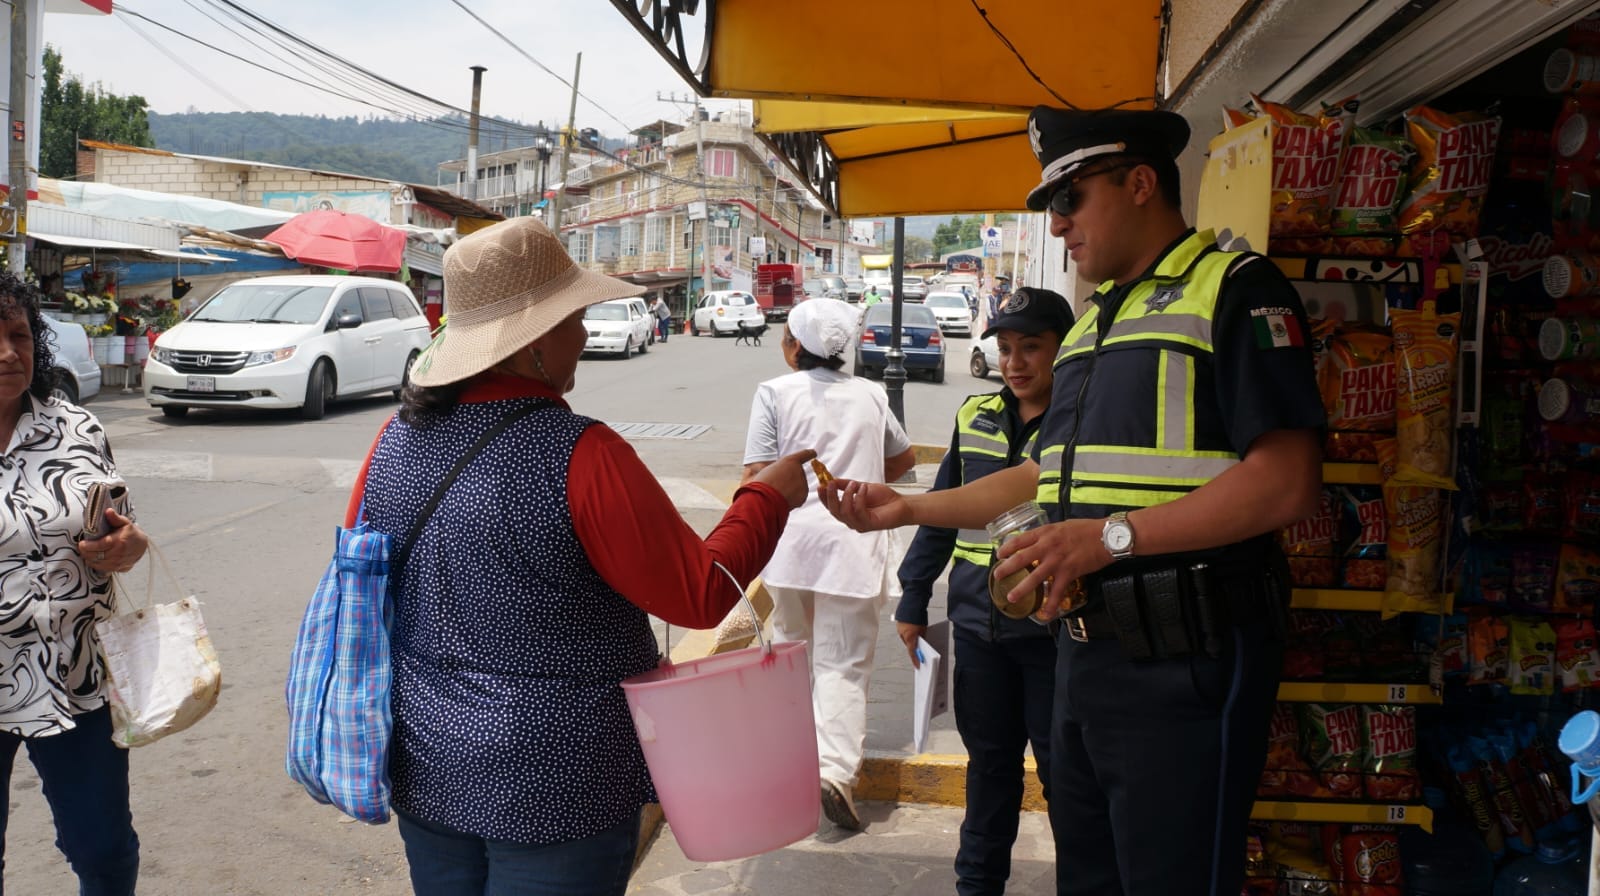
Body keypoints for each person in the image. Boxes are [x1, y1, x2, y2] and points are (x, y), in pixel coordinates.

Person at [821, 106, 1323, 895]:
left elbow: (1288, 480)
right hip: (1083, 657)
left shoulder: (1234, 289)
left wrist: (1108, 539)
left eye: (1070, 199)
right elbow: (1038, 477)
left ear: (1141, 184)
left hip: (1189, 657)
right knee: (1087, 876)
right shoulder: (1092, 325)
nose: (1057, 226)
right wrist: (910, 506)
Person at [365, 217, 815, 896]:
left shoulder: (392, 442)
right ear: (535, 340)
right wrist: (766, 500)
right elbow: (698, 592)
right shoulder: (581, 455)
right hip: (560, 779)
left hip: (428, 758)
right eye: (575, 318)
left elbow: (366, 578)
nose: (583, 333)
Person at [895, 286, 1074, 896]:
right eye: (1005, 348)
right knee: (990, 770)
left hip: (1055, 635)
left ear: (1063, 349)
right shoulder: (974, 416)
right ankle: (977, 887)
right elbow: (943, 511)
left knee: (1065, 776)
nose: (1016, 362)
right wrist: (913, 598)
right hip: (978, 631)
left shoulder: (1081, 426)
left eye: (1032, 347)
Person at [0, 270, 149, 895]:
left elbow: (123, 528)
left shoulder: (76, 429)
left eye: (19, 334)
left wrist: (125, 546)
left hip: (75, 674)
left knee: (105, 851)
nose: (9, 352)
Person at [741, 298, 916, 832]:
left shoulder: (774, 392)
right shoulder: (870, 394)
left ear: (795, 347)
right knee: (843, 662)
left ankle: (790, 769)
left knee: (792, 654)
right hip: (852, 543)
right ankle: (835, 773)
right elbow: (904, 461)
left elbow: (756, 475)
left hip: (789, 546)